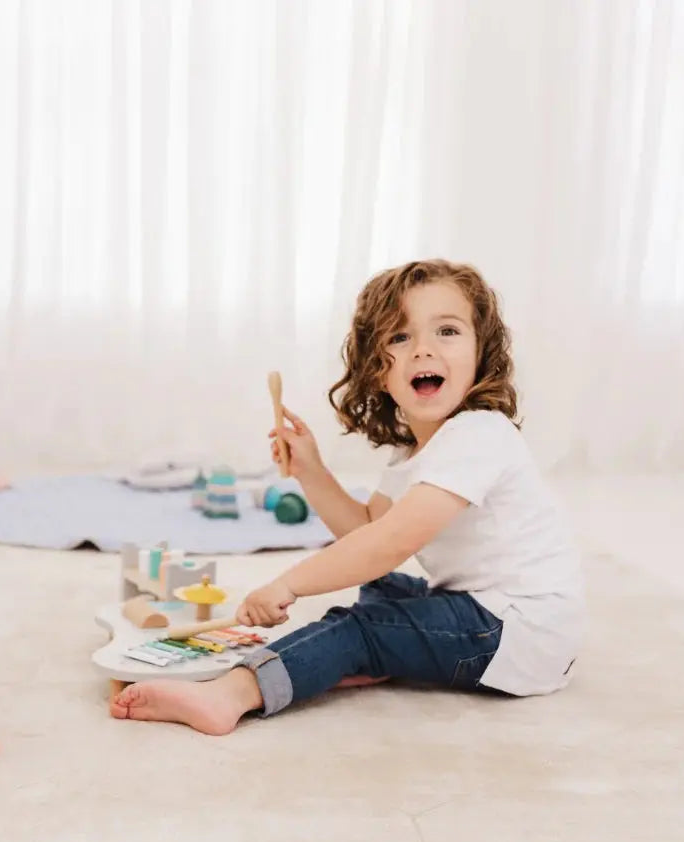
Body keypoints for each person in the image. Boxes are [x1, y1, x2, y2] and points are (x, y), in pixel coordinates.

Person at [111, 259, 584, 735]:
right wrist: (311, 472)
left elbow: (391, 542)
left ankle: (230, 695)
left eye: (447, 331)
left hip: (519, 634)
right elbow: (366, 532)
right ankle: (375, 655)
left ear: (481, 352)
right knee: (385, 593)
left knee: (360, 625)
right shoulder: (412, 453)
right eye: (400, 338)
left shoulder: (479, 433)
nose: (423, 349)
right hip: (490, 614)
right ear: (378, 371)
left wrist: (289, 583)